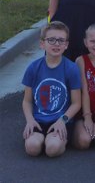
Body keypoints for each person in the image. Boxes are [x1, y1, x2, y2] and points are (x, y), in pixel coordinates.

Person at [22, 21, 81, 157]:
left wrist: (63, 120)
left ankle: (59, 140)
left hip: (60, 121)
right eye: (51, 40)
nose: (56, 44)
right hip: (38, 120)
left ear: (66, 45)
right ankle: (41, 139)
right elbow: (27, 101)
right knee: (32, 148)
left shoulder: (71, 69)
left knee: (52, 149)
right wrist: (30, 120)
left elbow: (76, 103)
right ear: (42, 44)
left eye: (61, 40)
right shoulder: (33, 68)